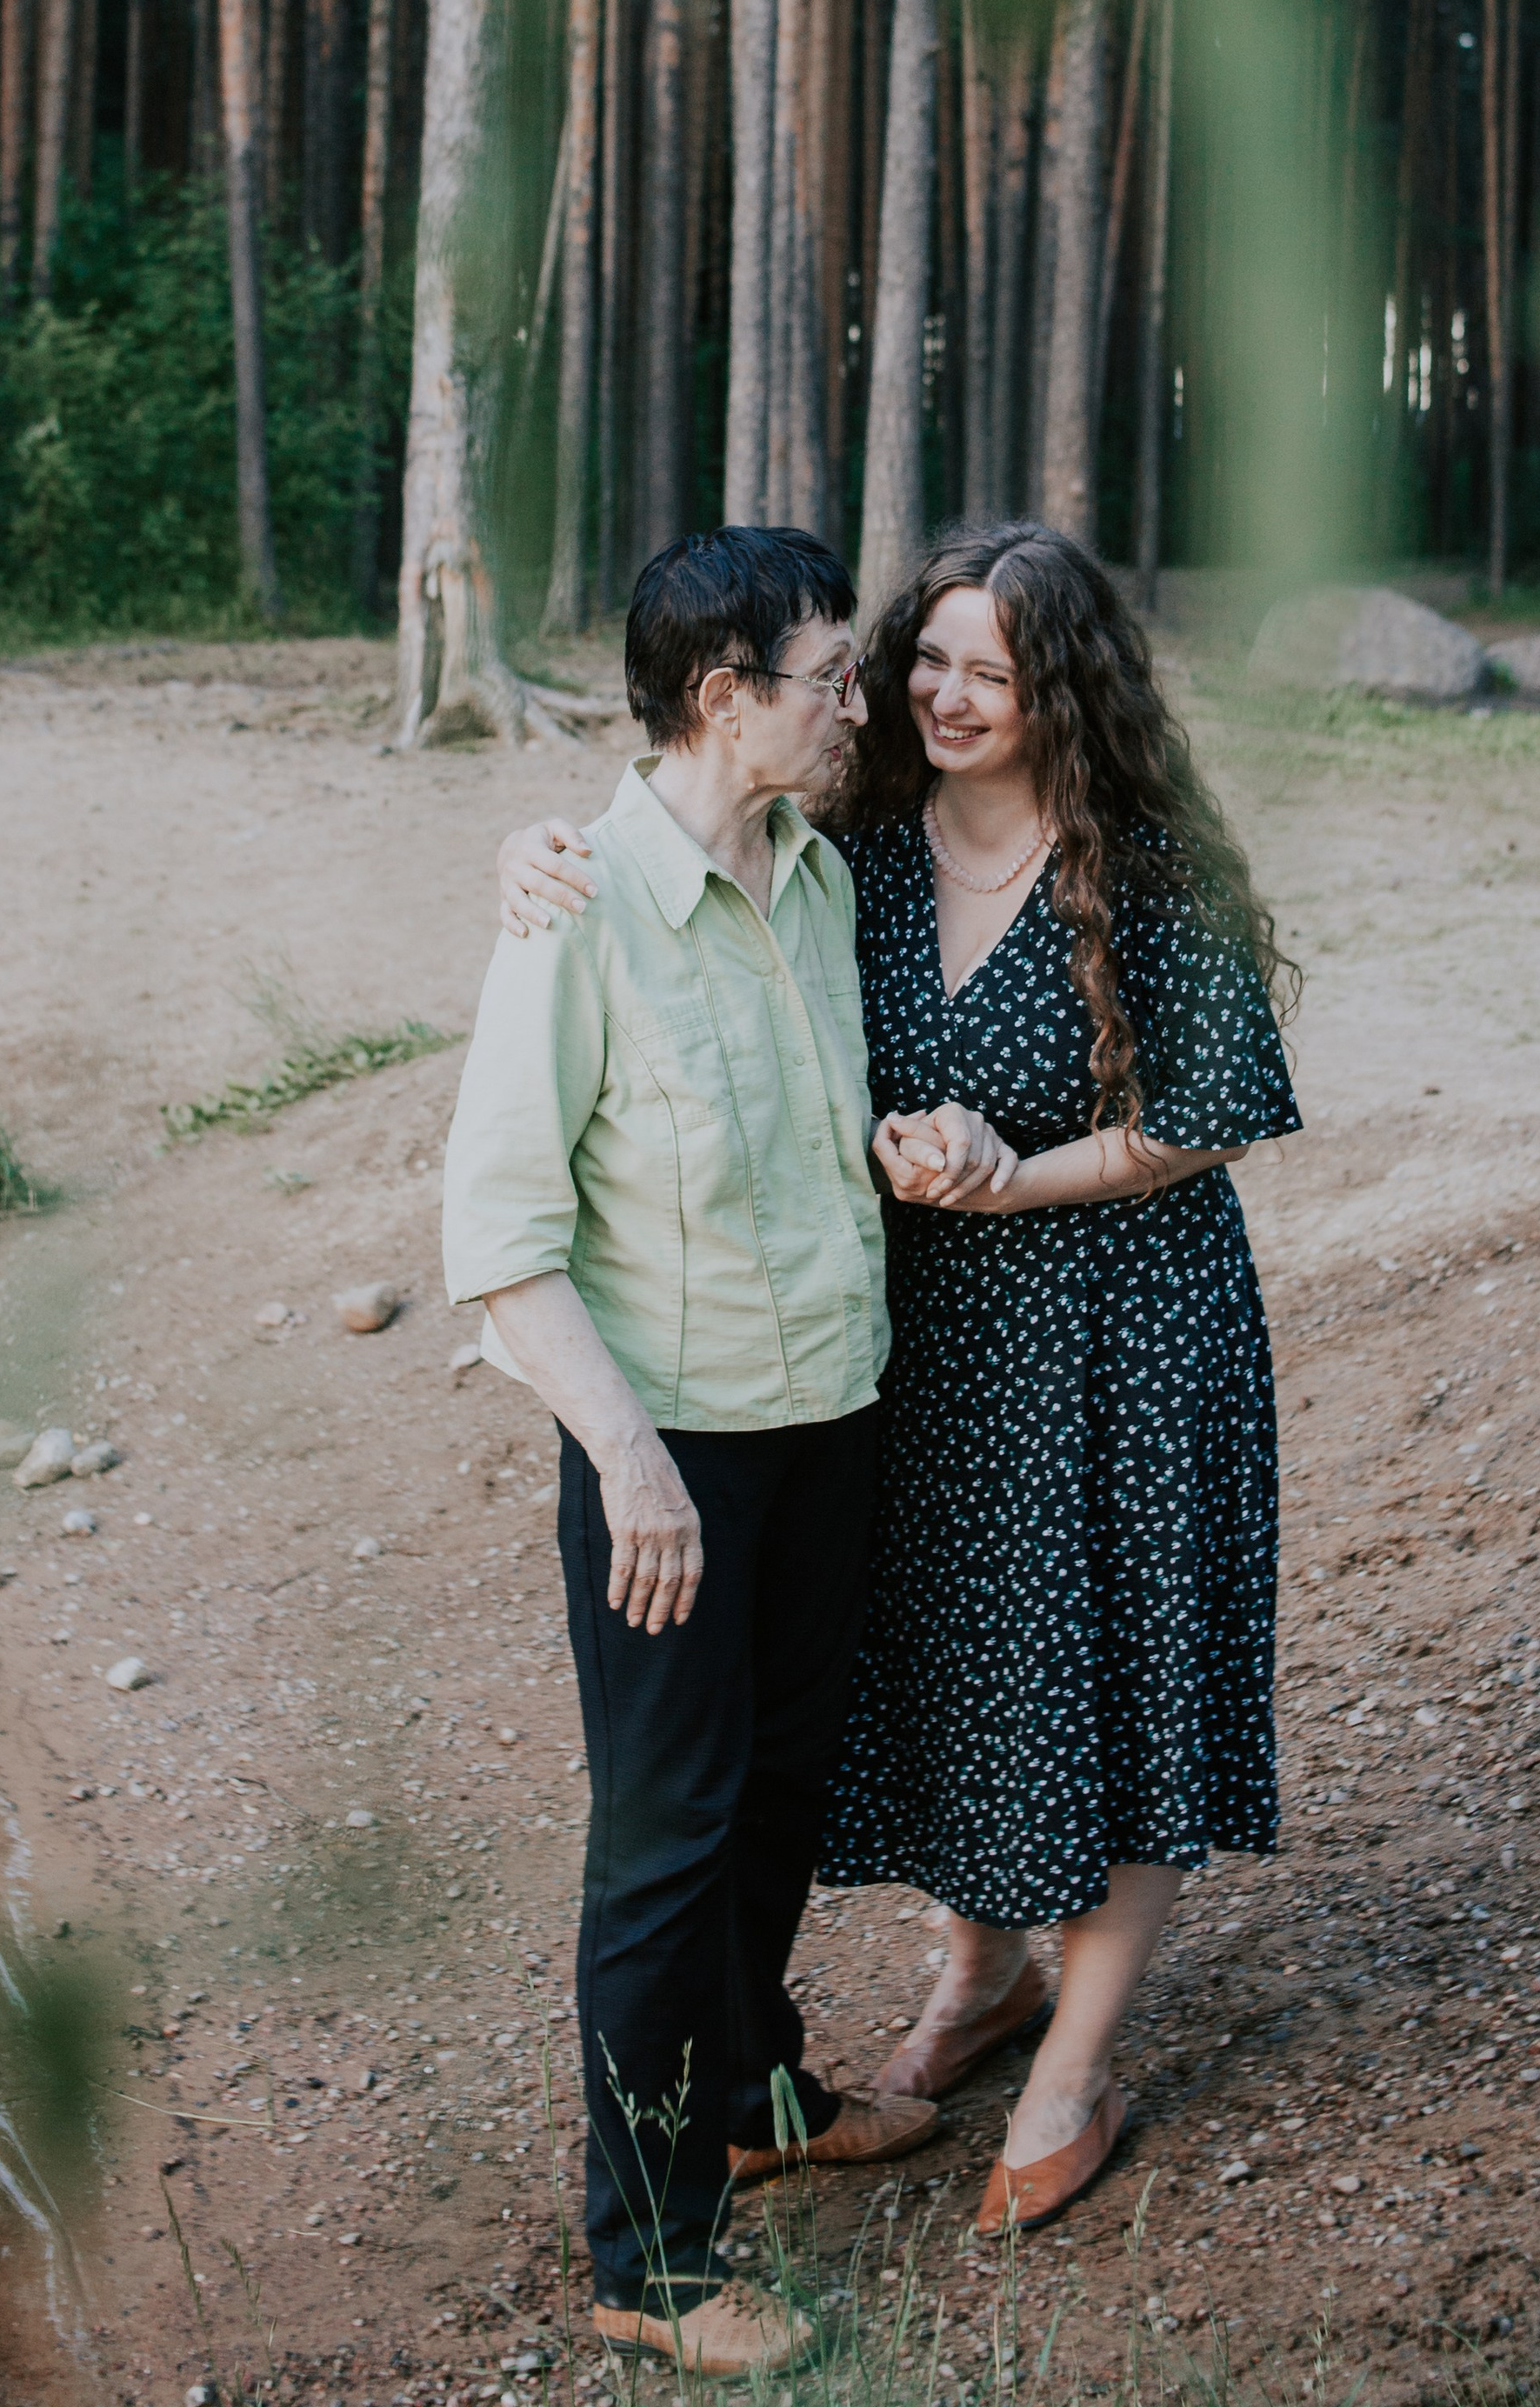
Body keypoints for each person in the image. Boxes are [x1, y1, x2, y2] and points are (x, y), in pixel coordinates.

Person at [498, 522, 1299, 2238]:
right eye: (914, 656)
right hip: (917, 1348)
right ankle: (977, 1975)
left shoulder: (1142, 870)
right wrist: (530, 851)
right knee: (957, 1669)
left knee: (1124, 1672)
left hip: (1122, 1334)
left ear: (1058, 689)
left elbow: (1215, 1107)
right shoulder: (840, 844)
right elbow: (672, 821)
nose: (930, 694)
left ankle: (1072, 2056)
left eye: (981, 670)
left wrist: (1017, 1170)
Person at [442, 526, 939, 2384]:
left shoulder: (811, 870)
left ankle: (748, 2093)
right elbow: (499, 1241)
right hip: (668, 1453)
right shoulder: (571, 906)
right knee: (660, 1842)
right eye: (830, 673)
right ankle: (646, 2255)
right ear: (727, 693)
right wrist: (629, 1462)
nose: (859, 702)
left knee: (778, 1788)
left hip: (829, 1414)